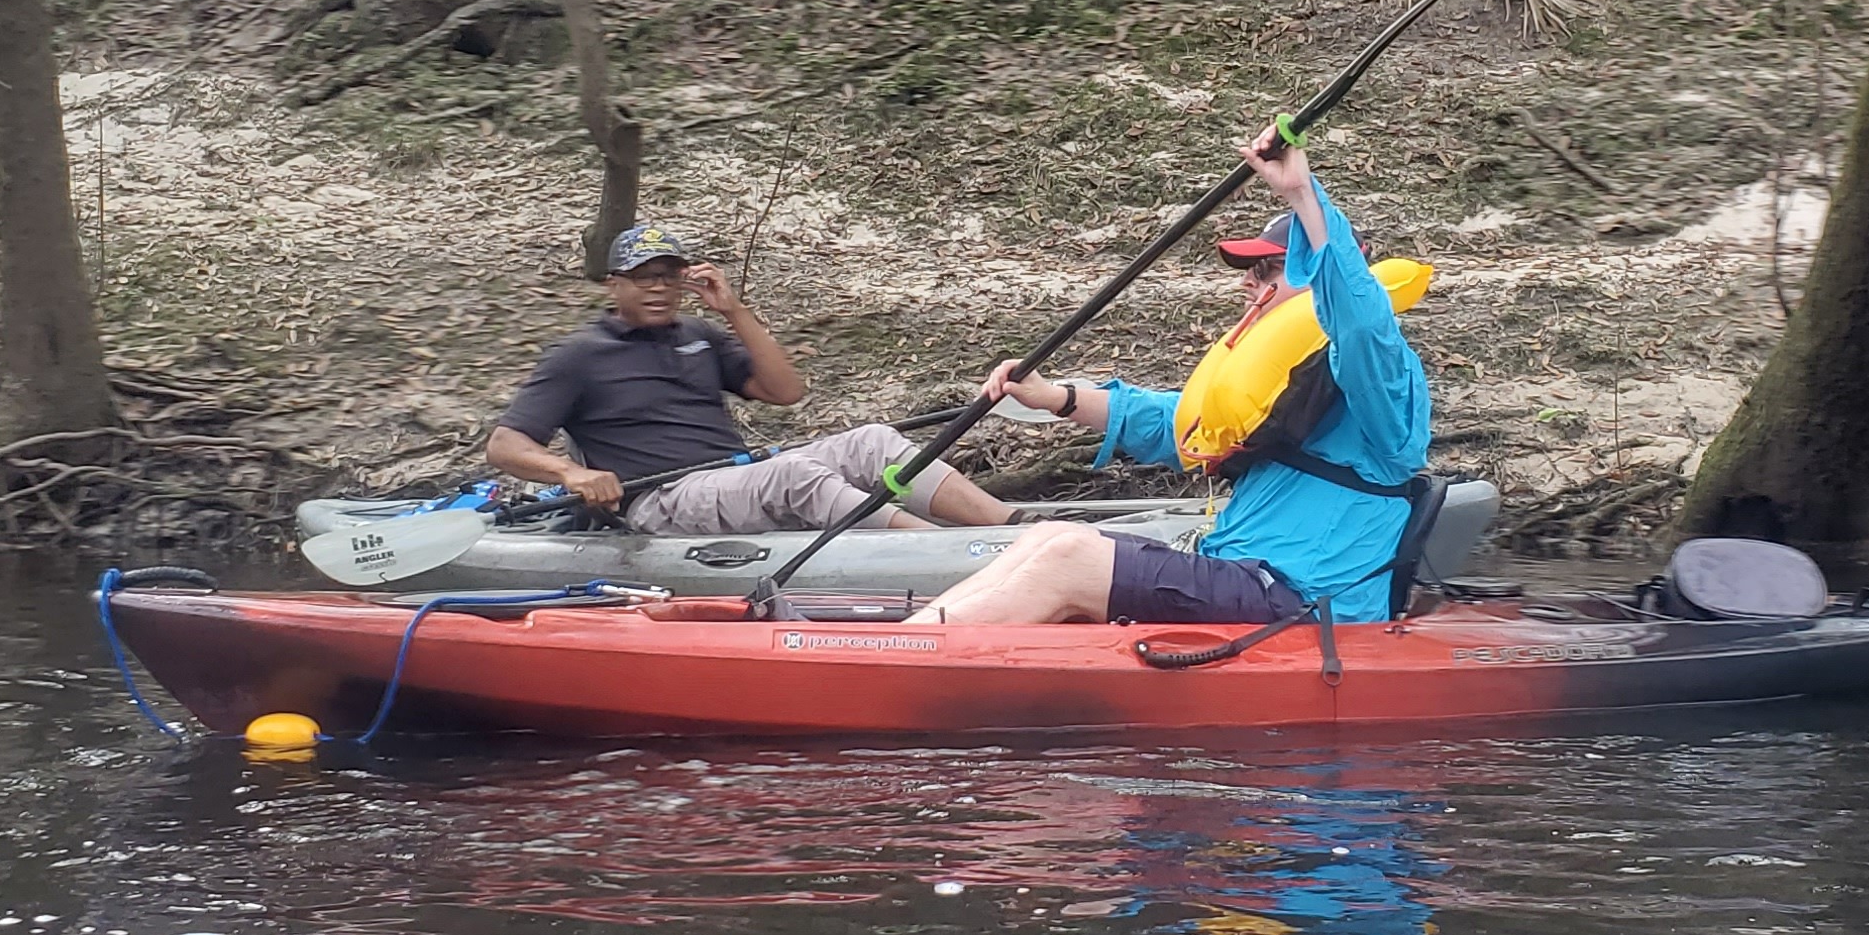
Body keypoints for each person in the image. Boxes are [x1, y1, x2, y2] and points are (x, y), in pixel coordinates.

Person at [908, 128, 1429, 626]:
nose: (1249, 282)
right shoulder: (1287, 380)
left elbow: (1360, 323)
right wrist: (1056, 397)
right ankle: (906, 639)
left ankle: (903, 658)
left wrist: (1301, 196)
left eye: (1268, 269)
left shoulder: (1383, 378)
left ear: (1314, 274)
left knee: (1069, 555)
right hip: (1243, 575)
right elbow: (1171, 424)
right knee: (1045, 539)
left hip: (1305, 601)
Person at [480, 224, 1013, 536]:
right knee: (791, 475)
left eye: (668, 277)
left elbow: (786, 392)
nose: (658, 289)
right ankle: (938, 547)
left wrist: (733, 310)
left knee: (872, 442)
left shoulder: (698, 334)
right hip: (661, 500)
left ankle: (1008, 525)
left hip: (730, 476)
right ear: (615, 284)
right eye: (644, 278)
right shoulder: (579, 355)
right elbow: (505, 446)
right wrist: (570, 474)